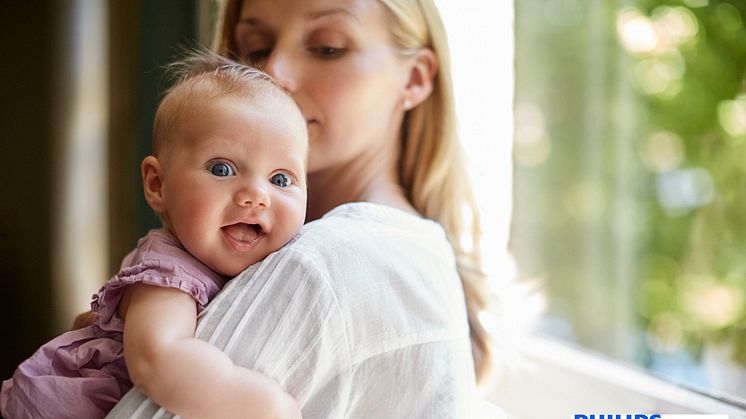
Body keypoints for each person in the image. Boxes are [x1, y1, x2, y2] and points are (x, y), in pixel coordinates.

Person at [107, 0, 498, 417]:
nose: (273, 72)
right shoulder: (415, 249)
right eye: (256, 48)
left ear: (415, 79)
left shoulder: (325, 263)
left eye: (327, 47)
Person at [1, 51, 308, 419]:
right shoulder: (168, 270)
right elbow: (159, 359)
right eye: (222, 168)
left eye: (280, 179)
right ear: (158, 184)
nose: (256, 195)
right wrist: (269, 406)